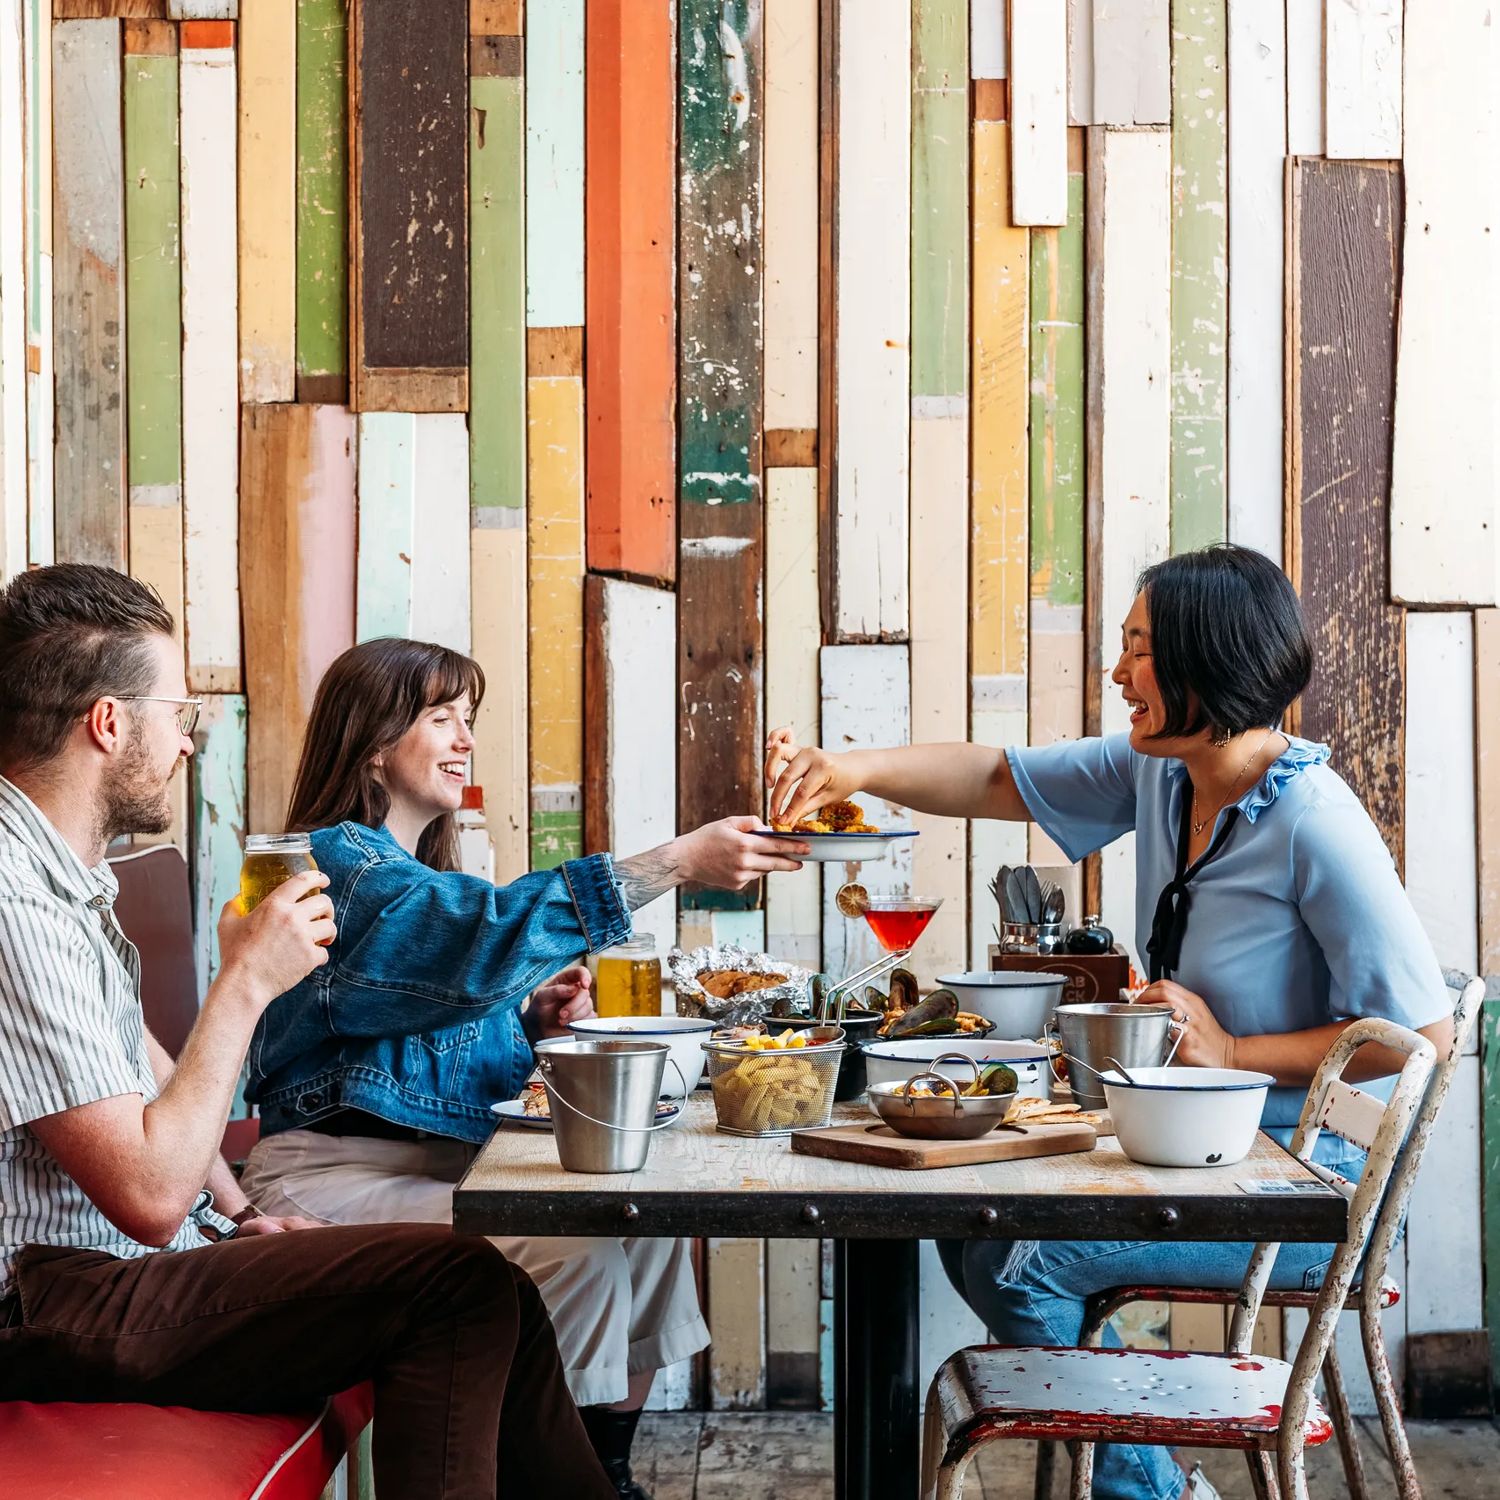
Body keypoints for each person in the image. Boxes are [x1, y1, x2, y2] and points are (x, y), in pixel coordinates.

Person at [763, 544, 1454, 1500]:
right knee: (973, 1232)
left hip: (1307, 1186)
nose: (1117, 673)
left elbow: (1427, 1035)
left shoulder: (1314, 822)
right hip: (1207, 1148)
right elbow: (1000, 778)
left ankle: (1161, 1493)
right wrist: (850, 768)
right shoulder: (1163, 773)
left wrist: (1232, 1051)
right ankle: (1132, 1454)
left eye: (1138, 650)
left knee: (1019, 1259)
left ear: (1206, 663)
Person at [0, 564, 616, 1499]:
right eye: (178, 715)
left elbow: (138, 1069)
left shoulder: (59, 877)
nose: (188, 744)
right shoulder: (14, 898)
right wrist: (247, 981)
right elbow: (147, 1194)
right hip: (50, 1295)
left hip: (116, 1264)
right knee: (458, 1288)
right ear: (108, 724)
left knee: (496, 1290)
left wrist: (240, 1214)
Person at [239, 636, 808, 1500]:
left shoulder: (414, 873)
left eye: (468, 720)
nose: (465, 740)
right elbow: (471, 941)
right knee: (571, 1246)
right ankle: (554, 1480)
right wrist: (676, 863)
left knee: (641, 1225)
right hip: (328, 1177)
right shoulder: (337, 865)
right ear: (374, 739)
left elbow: (431, 996)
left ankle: (603, 1475)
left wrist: (525, 1021)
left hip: (431, 1164)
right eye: (441, 718)